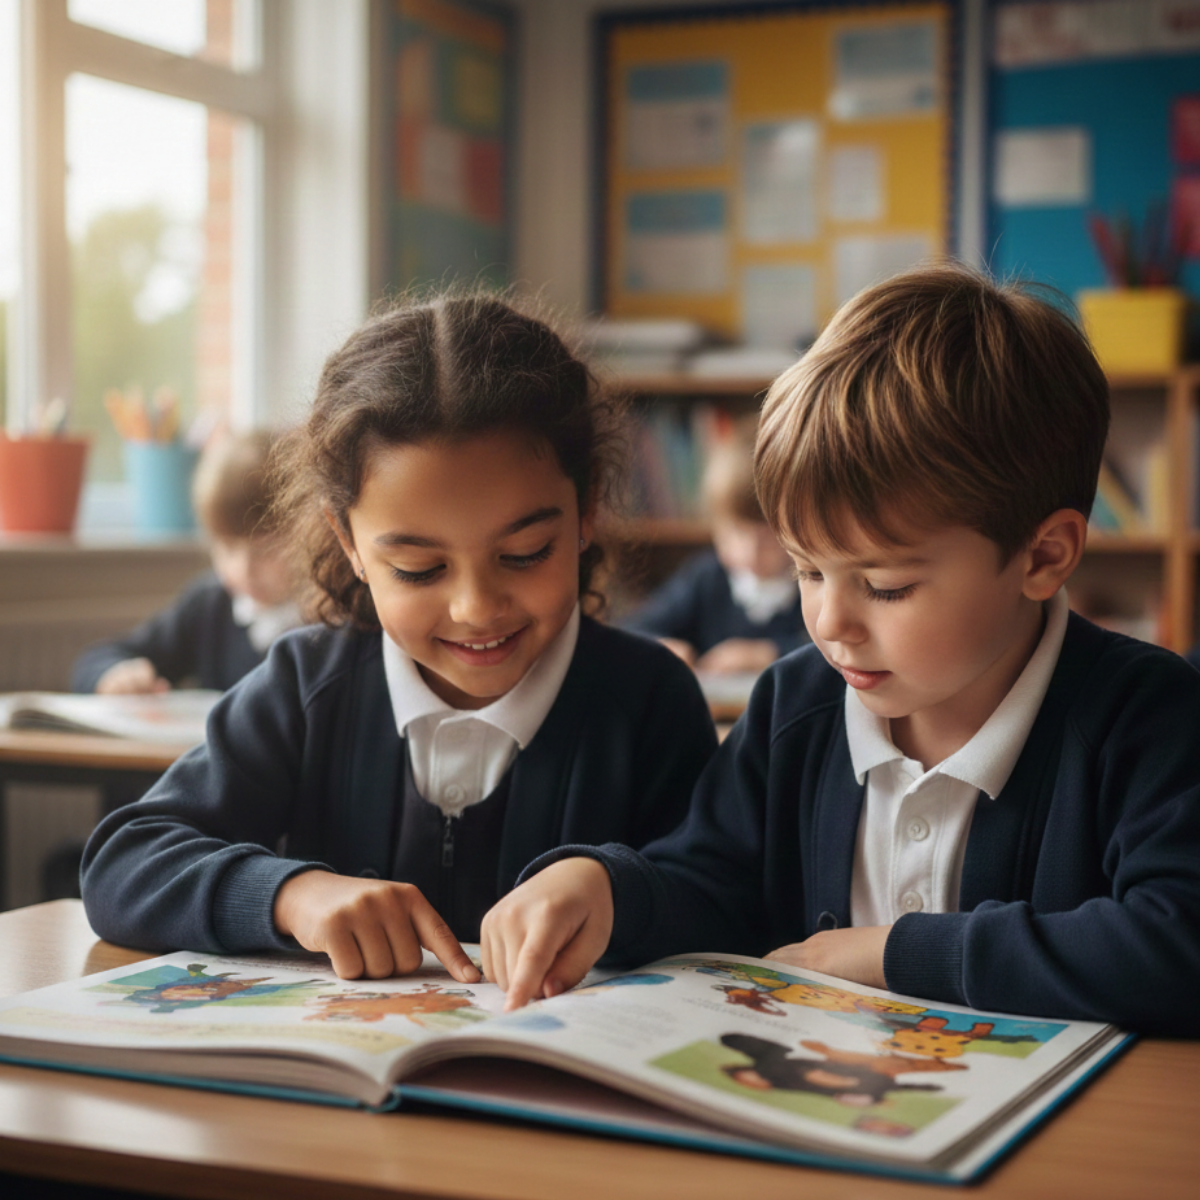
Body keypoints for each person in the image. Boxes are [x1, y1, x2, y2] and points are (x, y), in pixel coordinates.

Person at [478, 262, 1200, 1036]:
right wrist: (604, 886)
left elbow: (1175, 943)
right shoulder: (797, 705)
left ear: (1044, 557)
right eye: (807, 570)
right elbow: (712, 878)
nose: (830, 622)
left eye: (885, 586)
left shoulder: (1148, 715)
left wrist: (888, 957)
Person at [81, 292, 718, 984]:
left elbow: (722, 891)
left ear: (587, 508)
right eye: (420, 568)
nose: (476, 609)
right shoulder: (307, 685)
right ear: (348, 542)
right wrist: (291, 896)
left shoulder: (649, 700)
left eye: (526, 552)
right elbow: (124, 861)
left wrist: (613, 888)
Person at [71, 430, 302, 694]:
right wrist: (115, 676)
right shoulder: (209, 605)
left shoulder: (328, 617)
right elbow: (97, 658)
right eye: (227, 548)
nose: (243, 569)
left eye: (265, 551)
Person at [623, 426, 808, 673]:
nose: (749, 553)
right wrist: (662, 647)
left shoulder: (811, 581)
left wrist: (769, 653)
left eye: (767, 538)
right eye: (735, 533)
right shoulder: (706, 577)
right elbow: (632, 629)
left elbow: (832, 650)